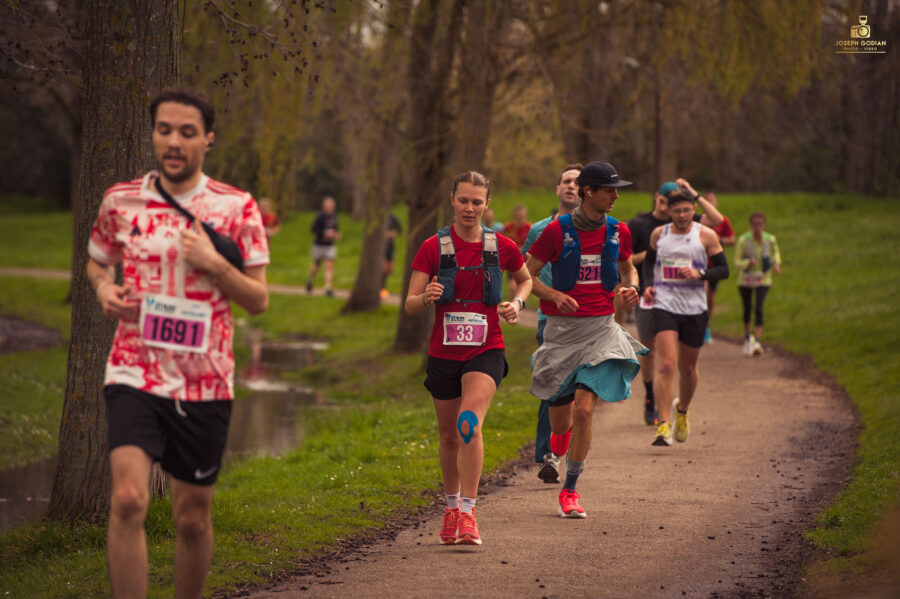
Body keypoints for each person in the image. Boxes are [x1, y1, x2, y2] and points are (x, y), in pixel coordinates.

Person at [86, 88, 270, 598]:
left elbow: (257, 300)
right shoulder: (121, 201)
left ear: (207, 140)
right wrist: (104, 289)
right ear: (153, 134)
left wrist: (214, 263)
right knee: (127, 498)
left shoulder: (236, 207)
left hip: (204, 381)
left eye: (186, 133)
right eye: (164, 130)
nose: (173, 141)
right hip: (134, 369)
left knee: (191, 519)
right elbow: (97, 260)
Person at [405, 171, 532, 546]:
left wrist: (517, 302)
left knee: (467, 425)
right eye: (464, 200)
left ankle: (469, 512)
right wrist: (426, 295)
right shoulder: (432, 246)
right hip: (443, 353)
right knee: (448, 438)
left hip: (486, 348)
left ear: (487, 205)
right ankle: (449, 507)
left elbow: (524, 279)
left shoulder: (501, 245)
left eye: (478, 202)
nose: (470, 208)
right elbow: (410, 305)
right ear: (452, 200)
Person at [527, 161, 645, 518]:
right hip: (562, 333)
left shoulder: (618, 230)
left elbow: (627, 268)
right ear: (589, 192)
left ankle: (570, 490)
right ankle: (558, 442)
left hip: (600, 329)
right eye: (609, 190)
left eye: (616, 189)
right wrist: (554, 295)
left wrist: (631, 288)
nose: (616, 195)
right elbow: (526, 276)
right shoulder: (555, 231)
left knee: (584, 408)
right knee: (561, 422)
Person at [629, 179, 725, 426]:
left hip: (694, 307)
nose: (681, 214)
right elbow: (647, 261)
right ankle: (662, 422)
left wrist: (700, 274)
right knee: (664, 362)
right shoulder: (655, 232)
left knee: (688, 369)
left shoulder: (704, 233)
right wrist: (647, 285)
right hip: (663, 302)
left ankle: (682, 411)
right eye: (675, 210)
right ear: (667, 210)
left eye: (686, 209)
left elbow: (723, 269)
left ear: (693, 210)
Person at [520, 163, 583, 484]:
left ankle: (569, 452)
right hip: (550, 320)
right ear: (558, 190)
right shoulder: (540, 230)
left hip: (588, 322)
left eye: (577, 182)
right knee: (553, 383)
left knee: (579, 391)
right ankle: (549, 454)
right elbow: (523, 272)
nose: (571, 186)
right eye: (566, 181)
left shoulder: (599, 230)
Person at [735, 212, 781, 356]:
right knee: (747, 308)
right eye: (755, 225)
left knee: (759, 308)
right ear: (750, 226)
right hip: (746, 279)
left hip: (763, 278)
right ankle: (748, 338)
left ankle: (758, 341)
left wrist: (776, 264)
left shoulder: (770, 239)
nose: (757, 228)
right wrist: (747, 263)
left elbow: (775, 254)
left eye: (760, 225)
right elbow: (736, 261)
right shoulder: (744, 240)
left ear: (764, 225)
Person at [702, 191, 735, 344]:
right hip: (700, 264)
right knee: (704, 292)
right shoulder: (697, 221)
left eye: (712, 200)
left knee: (710, 298)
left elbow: (732, 239)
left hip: (715, 265)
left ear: (716, 203)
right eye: (706, 200)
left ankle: (706, 326)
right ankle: (700, 327)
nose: (710, 203)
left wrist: (717, 239)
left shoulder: (723, 221)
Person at [306, 196, 340, 296]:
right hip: (319, 244)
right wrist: (324, 233)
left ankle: (328, 287)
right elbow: (313, 229)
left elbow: (336, 229)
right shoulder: (320, 216)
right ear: (324, 206)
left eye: (332, 206)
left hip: (329, 245)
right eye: (328, 205)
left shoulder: (334, 216)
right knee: (316, 265)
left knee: (329, 265)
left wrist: (336, 234)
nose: (330, 207)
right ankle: (310, 280)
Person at [380, 212, 402, 298]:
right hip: (381, 247)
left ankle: (383, 288)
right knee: (382, 268)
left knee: (389, 269)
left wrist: (393, 233)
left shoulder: (392, 217)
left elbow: (400, 229)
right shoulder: (379, 217)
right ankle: (382, 289)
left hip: (390, 246)